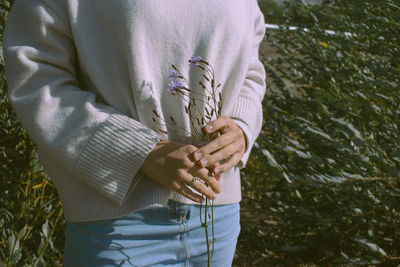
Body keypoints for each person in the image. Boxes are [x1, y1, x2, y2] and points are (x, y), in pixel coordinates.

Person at [3, 0, 266, 266]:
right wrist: (142, 151)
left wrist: (241, 125)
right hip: (116, 222)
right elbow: (37, 78)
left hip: (217, 215)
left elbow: (250, 65)